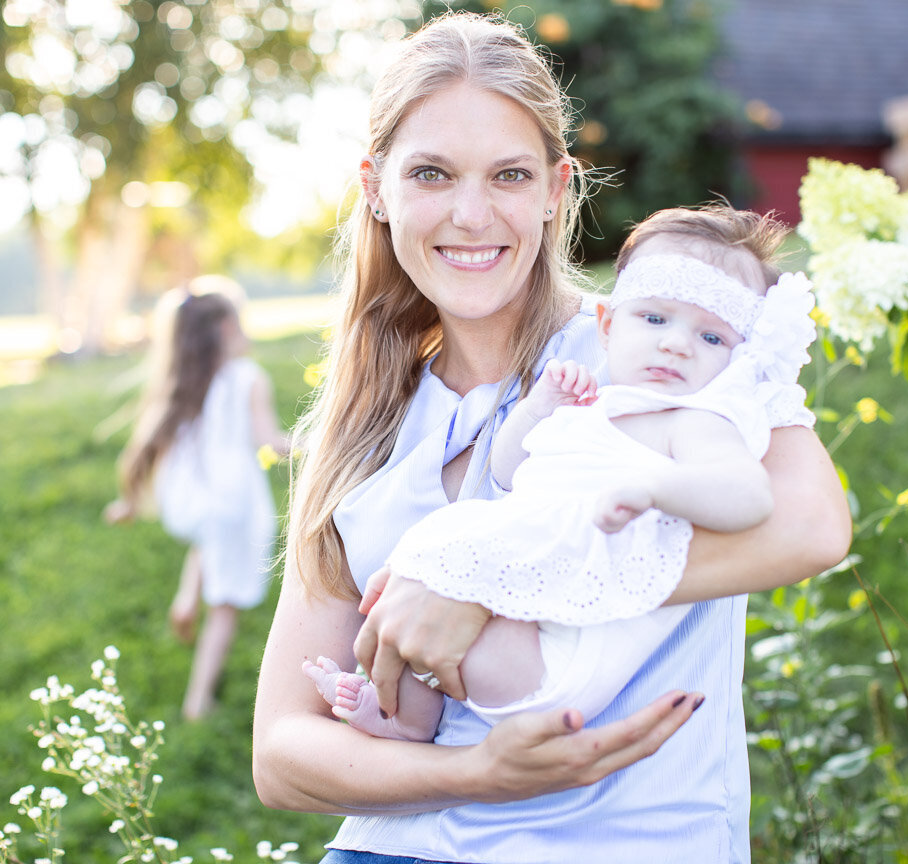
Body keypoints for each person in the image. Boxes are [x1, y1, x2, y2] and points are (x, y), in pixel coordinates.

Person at [252, 11, 851, 864]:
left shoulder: (657, 348)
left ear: (555, 189)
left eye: (507, 174)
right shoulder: (360, 425)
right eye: (431, 173)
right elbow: (282, 759)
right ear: (376, 186)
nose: (471, 213)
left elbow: (811, 524)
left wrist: (481, 582)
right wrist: (479, 774)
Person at [303, 204, 818, 742]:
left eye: (712, 338)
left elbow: (749, 496)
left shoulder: (693, 422)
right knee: (438, 538)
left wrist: (656, 487)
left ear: (738, 361)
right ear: (608, 325)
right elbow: (506, 472)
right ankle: (406, 716)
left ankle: (409, 706)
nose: (676, 343)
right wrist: (538, 407)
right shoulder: (597, 405)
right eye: (656, 318)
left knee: (447, 551)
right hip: (525, 619)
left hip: (561, 654)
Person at [106, 276, 290, 720]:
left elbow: (147, 444)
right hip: (231, 504)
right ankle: (197, 701)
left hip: (187, 502)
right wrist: (320, 440)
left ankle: (188, 596)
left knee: (209, 539)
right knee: (223, 608)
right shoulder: (248, 378)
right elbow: (270, 442)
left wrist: (130, 502)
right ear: (226, 329)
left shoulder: (183, 382)